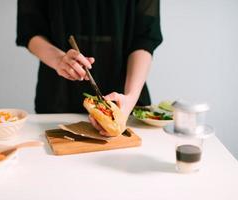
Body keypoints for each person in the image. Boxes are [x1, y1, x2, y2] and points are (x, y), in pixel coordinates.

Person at [16, 0, 162, 133]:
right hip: (59, 96)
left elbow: (144, 37)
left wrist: (130, 98)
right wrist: (59, 60)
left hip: (126, 94)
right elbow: (30, 30)